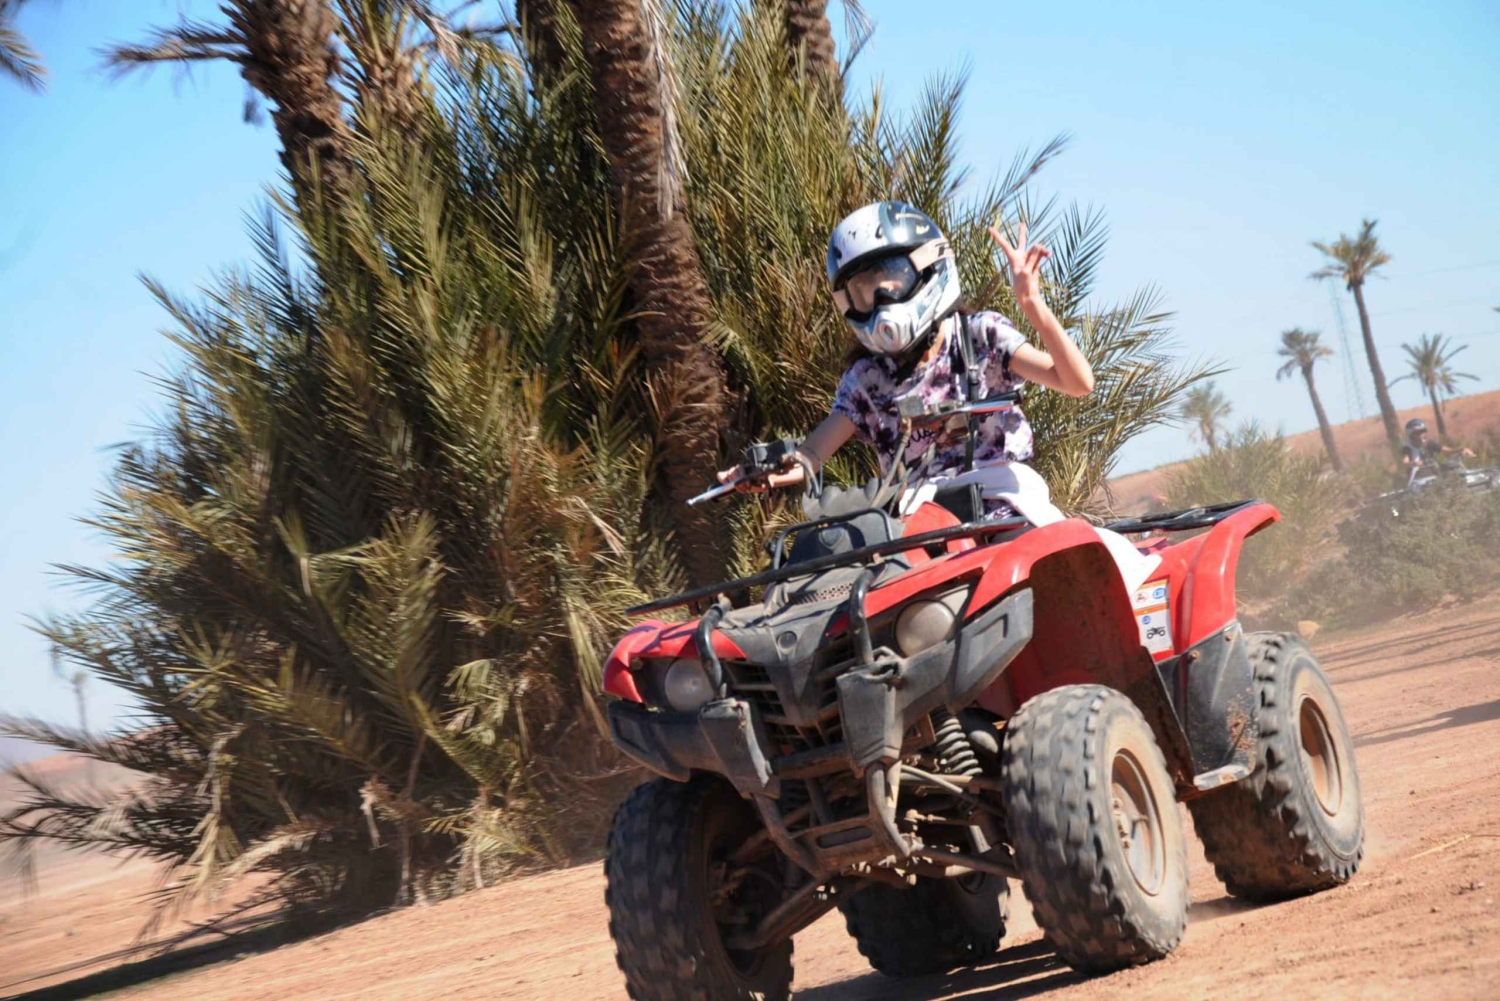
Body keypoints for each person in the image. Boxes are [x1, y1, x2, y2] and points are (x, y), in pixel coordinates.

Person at [718, 200, 1156, 587]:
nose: (882, 299)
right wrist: (766, 469)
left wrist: (1032, 304)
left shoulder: (980, 337)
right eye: (865, 290)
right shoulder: (866, 378)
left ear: (929, 267)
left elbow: (1077, 382)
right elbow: (813, 453)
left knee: (1069, 576)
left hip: (1005, 510)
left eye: (891, 279)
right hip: (917, 531)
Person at [1400, 418, 1473, 478]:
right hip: (1417, 480)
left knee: (1453, 467)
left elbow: (1448, 451)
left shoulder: (1429, 443)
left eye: (1423, 431)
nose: (1422, 434)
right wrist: (1414, 463)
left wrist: (1462, 449)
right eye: (1418, 433)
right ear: (1411, 435)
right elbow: (1405, 462)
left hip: (1434, 476)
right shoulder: (1407, 448)